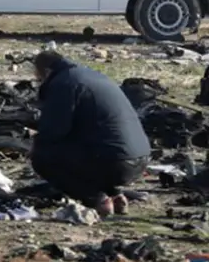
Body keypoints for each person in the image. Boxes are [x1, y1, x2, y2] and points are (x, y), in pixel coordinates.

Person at [30, 51, 152, 217]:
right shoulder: (93, 76)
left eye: (39, 77)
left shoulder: (64, 83)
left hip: (114, 162)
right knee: (94, 145)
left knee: (42, 156)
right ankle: (115, 194)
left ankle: (97, 199)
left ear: (47, 71)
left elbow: (54, 132)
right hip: (141, 158)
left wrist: (35, 138)